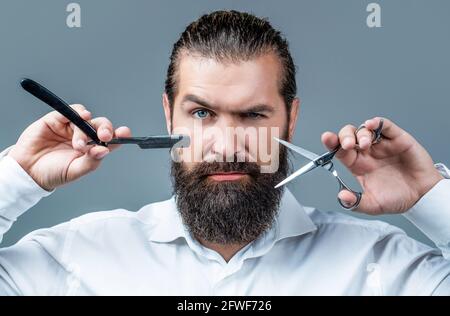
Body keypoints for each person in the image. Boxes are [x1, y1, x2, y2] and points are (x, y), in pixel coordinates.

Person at [0, 10, 449, 295]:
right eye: (201, 114)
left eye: (254, 115)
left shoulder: (385, 268)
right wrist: (17, 179)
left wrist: (430, 197)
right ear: (168, 115)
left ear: (290, 121)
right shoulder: (67, 260)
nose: (229, 145)